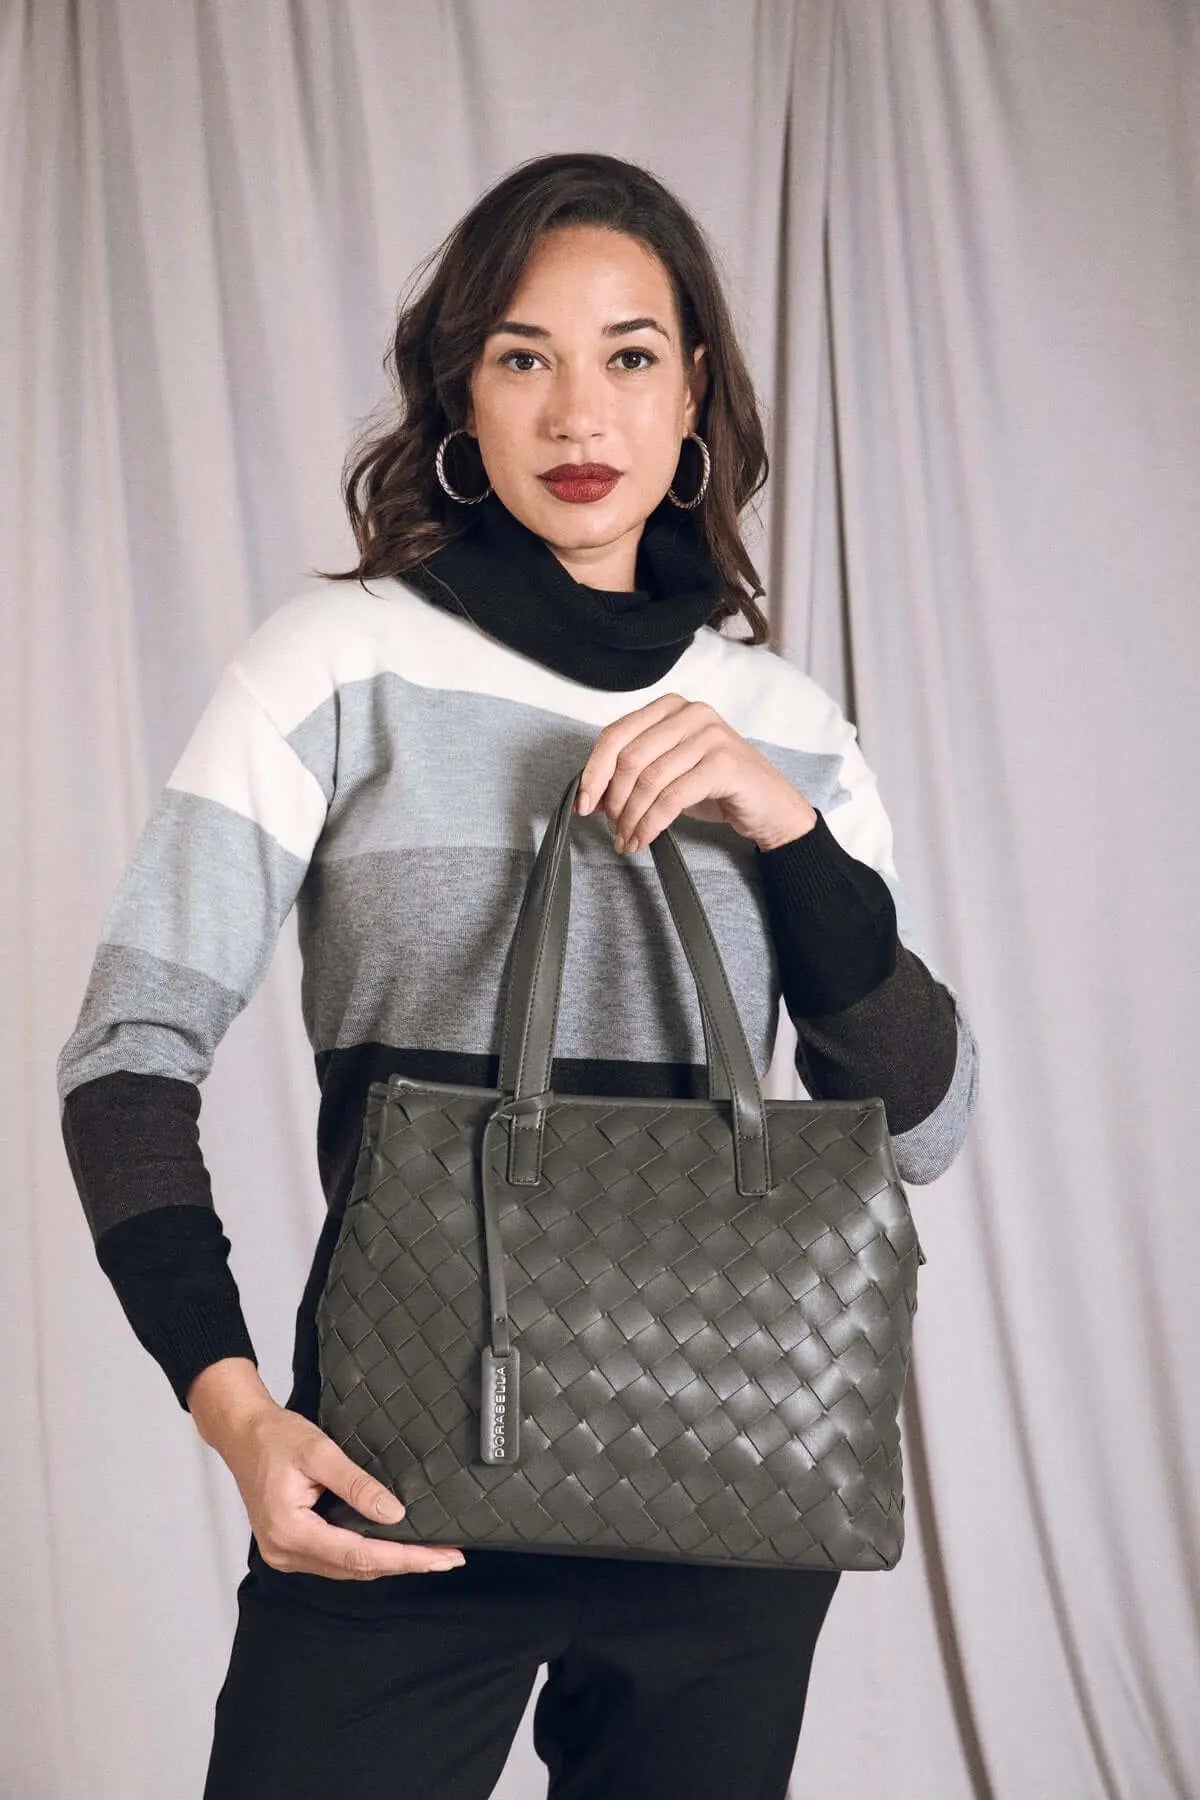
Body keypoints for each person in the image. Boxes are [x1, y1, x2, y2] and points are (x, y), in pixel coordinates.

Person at [56, 150, 980, 1800]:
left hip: (729, 1495)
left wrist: (783, 830)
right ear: (459, 396)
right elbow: (127, 1057)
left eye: (629, 355)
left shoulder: (794, 730)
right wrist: (238, 1412)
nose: (578, 414)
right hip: (397, 1476)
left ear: (693, 391)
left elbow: (921, 1121)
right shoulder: (336, 664)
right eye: (523, 357)